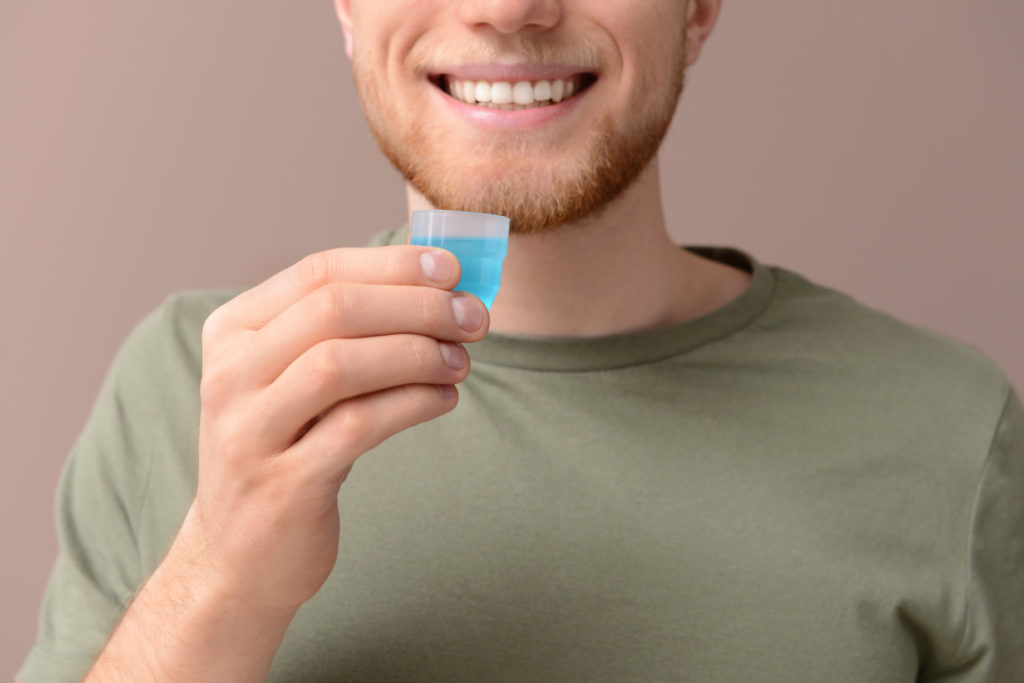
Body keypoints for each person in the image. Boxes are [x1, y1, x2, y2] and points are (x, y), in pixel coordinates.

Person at [18, 0, 1023, 681]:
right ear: (346, 5)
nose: (509, 3)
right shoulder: (190, 383)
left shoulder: (948, 434)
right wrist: (222, 579)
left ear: (699, 5)